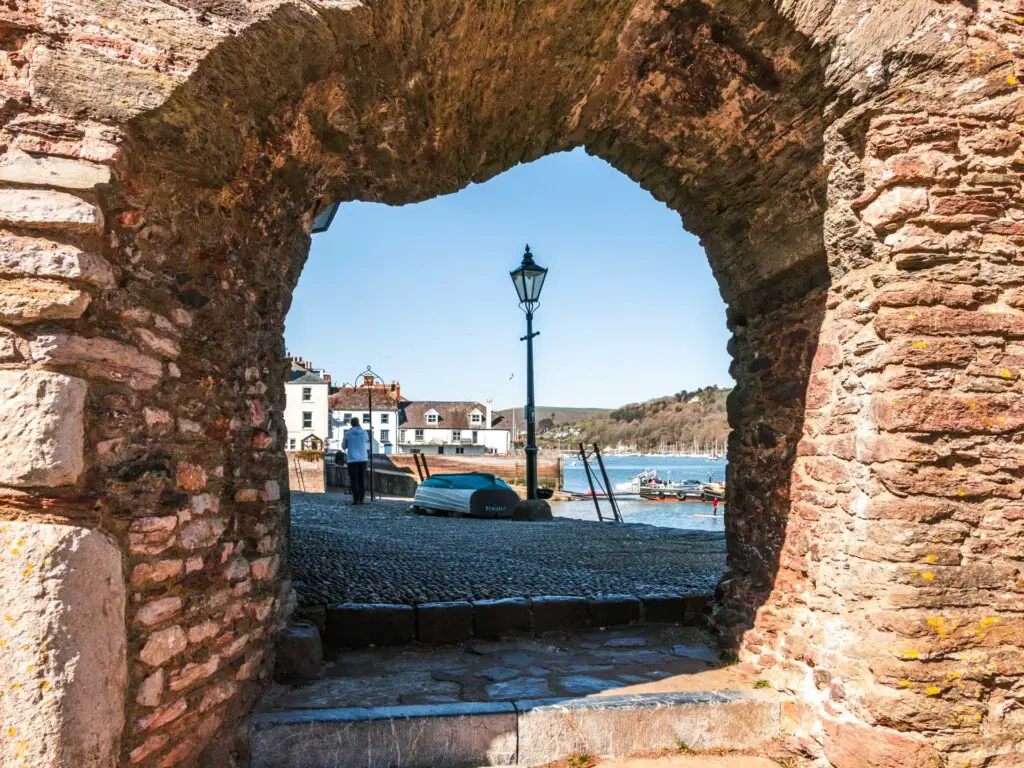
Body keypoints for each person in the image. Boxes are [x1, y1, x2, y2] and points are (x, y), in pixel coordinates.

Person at [343, 417, 368, 505]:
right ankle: (362, 500)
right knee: (361, 480)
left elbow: (343, 446)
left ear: (351, 424)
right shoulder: (364, 432)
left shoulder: (348, 433)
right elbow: (366, 440)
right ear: (358, 423)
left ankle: (355, 500)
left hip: (352, 460)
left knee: (354, 480)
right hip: (363, 459)